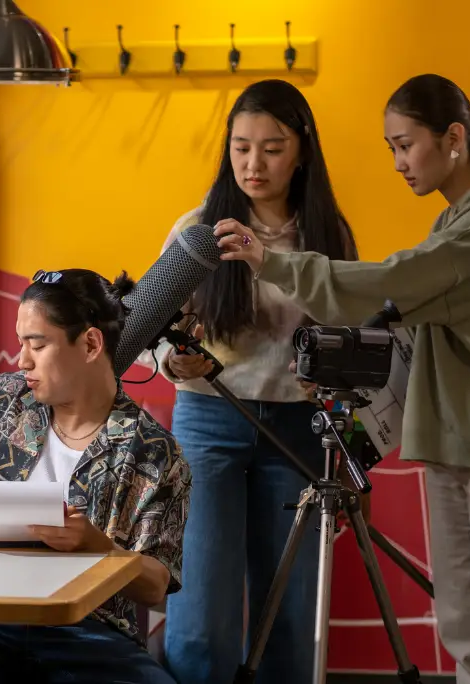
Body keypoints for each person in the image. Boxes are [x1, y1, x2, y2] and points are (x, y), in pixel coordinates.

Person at [216, 73, 470, 684]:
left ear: (454, 138)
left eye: (406, 144)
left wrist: (272, 263)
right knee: (465, 623)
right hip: (457, 442)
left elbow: (393, 283)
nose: (400, 163)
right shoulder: (459, 220)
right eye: (391, 149)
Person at [158, 78, 358, 684]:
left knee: (290, 609)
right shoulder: (198, 228)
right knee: (199, 606)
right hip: (208, 420)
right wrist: (175, 360)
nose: (253, 163)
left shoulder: (326, 235)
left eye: (271, 148)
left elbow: (348, 347)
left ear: (302, 150)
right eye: (241, 146)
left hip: (297, 431)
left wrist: (348, 448)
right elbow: (150, 332)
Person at [0, 268, 190, 684]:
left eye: (37, 344)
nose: (22, 360)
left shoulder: (153, 450)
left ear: (91, 343)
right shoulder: (5, 400)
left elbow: (155, 584)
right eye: (21, 344)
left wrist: (98, 547)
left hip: (88, 636)